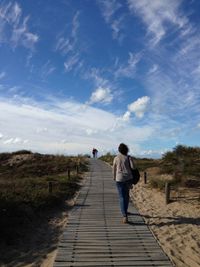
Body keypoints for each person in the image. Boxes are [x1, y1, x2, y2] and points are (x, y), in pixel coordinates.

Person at [113, 143, 135, 223]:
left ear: (119, 150)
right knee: (126, 195)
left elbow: (114, 169)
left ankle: (124, 215)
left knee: (122, 197)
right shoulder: (128, 157)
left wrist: (114, 177)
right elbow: (133, 167)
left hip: (119, 179)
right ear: (126, 149)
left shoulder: (116, 158)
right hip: (128, 179)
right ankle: (125, 210)